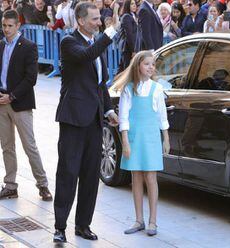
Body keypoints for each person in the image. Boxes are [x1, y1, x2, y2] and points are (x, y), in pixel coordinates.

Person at [53, 2, 119, 243]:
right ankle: (60, 226)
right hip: (73, 118)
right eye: (94, 19)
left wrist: (109, 110)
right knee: (68, 173)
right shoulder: (69, 42)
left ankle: (83, 225)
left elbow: (100, 83)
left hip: (94, 120)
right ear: (80, 21)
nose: (99, 22)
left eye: (100, 19)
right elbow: (85, 57)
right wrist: (110, 32)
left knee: (91, 176)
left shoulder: (95, 45)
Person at [112, 50, 170, 237]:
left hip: (152, 138)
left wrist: (166, 138)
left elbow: (162, 116)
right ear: (138, 66)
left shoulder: (157, 88)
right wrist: (126, 142)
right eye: (147, 64)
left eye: (153, 64)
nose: (151, 67)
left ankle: (153, 221)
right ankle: (139, 219)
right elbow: (124, 117)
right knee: (136, 178)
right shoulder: (128, 89)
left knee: (151, 178)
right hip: (135, 138)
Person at [0, 9, 53, 202]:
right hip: (1, 103)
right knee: (7, 146)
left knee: (29, 146)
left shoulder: (28, 46)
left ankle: (43, 185)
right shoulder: (0, 45)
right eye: (4, 25)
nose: (6, 29)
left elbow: (31, 78)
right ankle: (10, 185)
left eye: (10, 26)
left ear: (18, 25)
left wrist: (11, 96)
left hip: (20, 103)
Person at [119, 0, 138, 71]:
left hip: (131, 48)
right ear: (127, 5)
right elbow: (129, 34)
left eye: (135, 4)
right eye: (132, 4)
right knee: (127, 70)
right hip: (127, 48)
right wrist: (133, 50)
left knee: (122, 70)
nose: (134, 5)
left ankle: (116, 81)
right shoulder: (126, 16)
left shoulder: (134, 16)